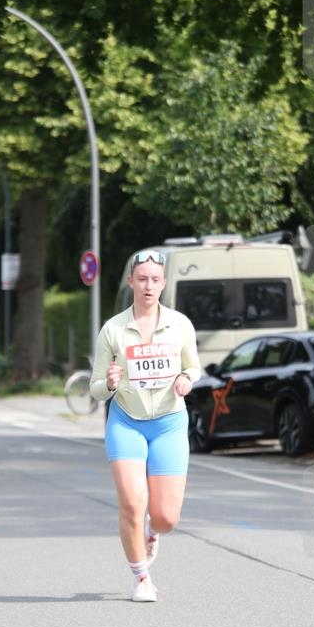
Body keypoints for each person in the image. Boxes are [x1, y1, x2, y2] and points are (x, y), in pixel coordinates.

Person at [90, 250, 201, 602]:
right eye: (142, 279)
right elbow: (94, 388)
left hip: (168, 422)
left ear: (163, 284)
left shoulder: (180, 324)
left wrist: (186, 378)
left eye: (155, 280)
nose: (148, 286)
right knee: (132, 504)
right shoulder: (113, 329)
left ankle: (154, 532)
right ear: (131, 282)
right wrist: (108, 382)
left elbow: (194, 367)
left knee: (166, 517)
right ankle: (141, 577)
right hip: (126, 422)